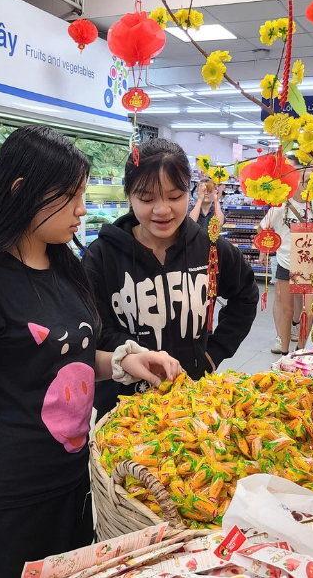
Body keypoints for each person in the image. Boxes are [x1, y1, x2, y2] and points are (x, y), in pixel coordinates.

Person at [0, 126, 180, 578]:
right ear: (20, 191)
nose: (82, 209)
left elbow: (64, 358)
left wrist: (124, 362)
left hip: (72, 490)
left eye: (83, 193)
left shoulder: (65, 265)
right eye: (70, 195)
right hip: (4, 507)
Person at [84, 138, 259, 420]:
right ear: (129, 195)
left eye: (175, 196)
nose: (162, 210)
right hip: (123, 411)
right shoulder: (101, 257)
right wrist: (131, 356)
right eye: (147, 198)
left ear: (189, 193)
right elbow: (93, 328)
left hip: (191, 403)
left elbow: (246, 295)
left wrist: (212, 354)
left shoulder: (210, 247)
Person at [259, 161, 313, 355]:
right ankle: (284, 352)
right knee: (287, 310)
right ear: (296, 182)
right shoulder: (281, 206)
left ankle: (301, 351)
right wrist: (265, 249)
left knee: (309, 311)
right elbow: (262, 227)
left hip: (309, 264)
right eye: (306, 181)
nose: (309, 187)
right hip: (285, 261)